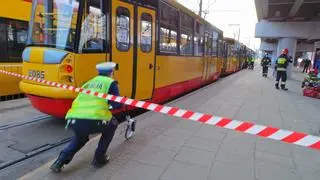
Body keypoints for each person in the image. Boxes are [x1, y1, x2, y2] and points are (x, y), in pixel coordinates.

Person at [50, 62, 123, 173]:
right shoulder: (110, 83)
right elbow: (117, 104)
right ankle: (99, 158)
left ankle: (59, 161)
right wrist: (111, 105)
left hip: (74, 118)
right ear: (111, 72)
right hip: (95, 119)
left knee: (80, 138)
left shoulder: (88, 83)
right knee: (112, 125)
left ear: (98, 72)